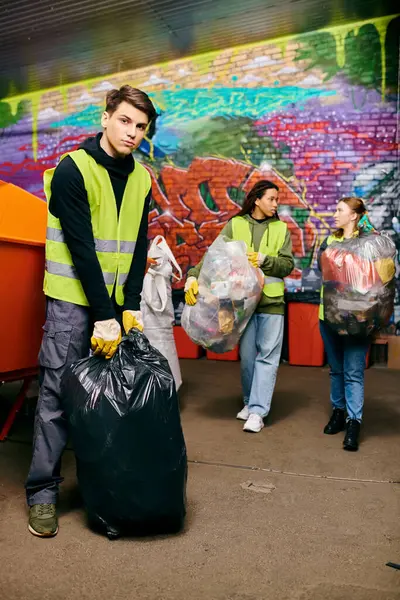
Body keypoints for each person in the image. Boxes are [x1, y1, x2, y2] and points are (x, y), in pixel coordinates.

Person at [26, 85, 157, 537]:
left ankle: (97, 486)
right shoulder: (71, 171)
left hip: (113, 306)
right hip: (72, 305)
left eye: (140, 127)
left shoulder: (141, 178)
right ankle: (42, 493)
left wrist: (131, 306)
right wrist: (105, 313)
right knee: (57, 398)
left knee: (106, 400)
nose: (132, 133)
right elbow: (82, 248)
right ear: (105, 117)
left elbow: (138, 246)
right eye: (125, 121)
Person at [185, 180, 294, 433]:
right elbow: (213, 255)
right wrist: (193, 275)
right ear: (257, 199)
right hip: (241, 306)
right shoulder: (236, 224)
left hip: (271, 303)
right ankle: (248, 402)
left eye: (277, 199)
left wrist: (265, 260)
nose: (276, 204)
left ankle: (257, 411)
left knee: (267, 358)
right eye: (271, 199)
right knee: (247, 359)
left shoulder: (281, 229)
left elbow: (287, 265)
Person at [318, 197, 375, 452]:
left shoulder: (370, 243)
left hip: (357, 319)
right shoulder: (330, 241)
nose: (334, 214)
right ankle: (338, 412)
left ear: (354, 215)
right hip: (328, 316)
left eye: (339, 210)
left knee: (353, 372)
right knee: (336, 369)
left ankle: (354, 423)